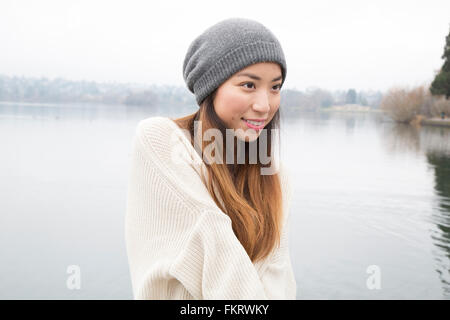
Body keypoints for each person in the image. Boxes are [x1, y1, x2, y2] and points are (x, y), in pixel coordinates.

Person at [125, 17, 296, 300]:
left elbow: (279, 277)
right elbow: (213, 244)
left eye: (275, 87)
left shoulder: (275, 177)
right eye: (248, 85)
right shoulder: (161, 140)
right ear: (211, 87)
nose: (265, 105)